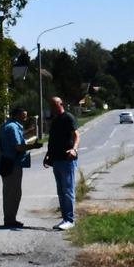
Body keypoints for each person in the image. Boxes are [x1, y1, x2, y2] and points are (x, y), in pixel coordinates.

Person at [41, 96, 79, 230]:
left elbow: (76, 135)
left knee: (68, 190)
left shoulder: (68, 117)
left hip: (67, 159)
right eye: (50, 105)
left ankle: (70, 220)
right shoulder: (55, 120)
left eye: (54, 105)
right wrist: (47, 155)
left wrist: (74, 149)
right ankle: (65, 219)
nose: (52, 108)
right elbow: (52, 140)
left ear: (61, 104)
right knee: (61, 191)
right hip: (56, 160)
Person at [0, 107, 31, 229]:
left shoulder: (8, 125)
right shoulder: (13, 127)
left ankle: (10, 218)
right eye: (24, 115)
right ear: (17, 115)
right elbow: (18, 146)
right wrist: (33, 146)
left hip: (6, 163)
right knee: (13, 193)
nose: (25, 118)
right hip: (12, 164)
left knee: (9, 192)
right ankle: (10, 220)